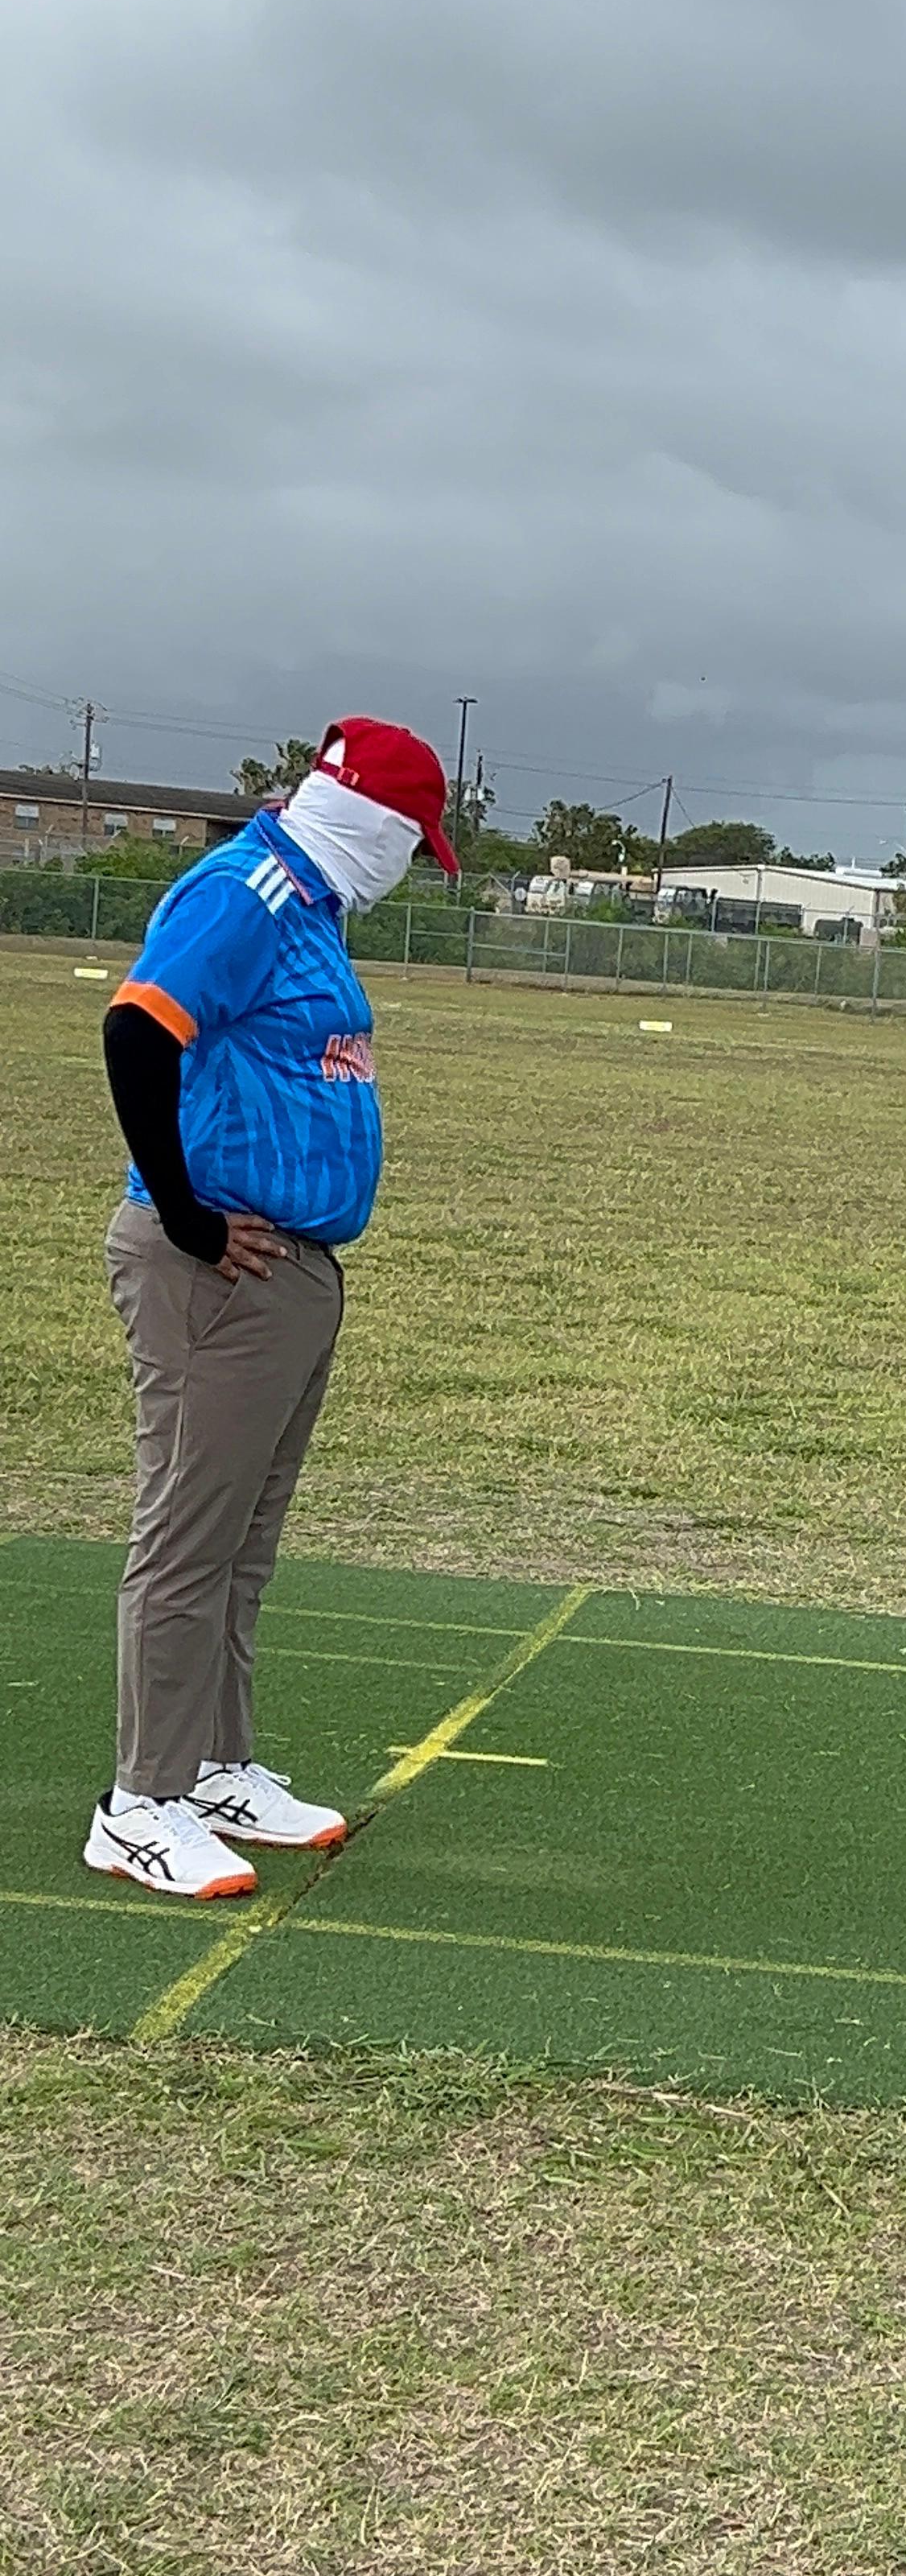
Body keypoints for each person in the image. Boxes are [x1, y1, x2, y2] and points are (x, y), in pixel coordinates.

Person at [86, 716, 458, 1898]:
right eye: (417, 841)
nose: (414, 863)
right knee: (189, 1540)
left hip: (290, 1268)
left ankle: (213, 1764)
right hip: (220, 1269)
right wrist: (191, 1216)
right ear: (382, 826)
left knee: (243, 1544)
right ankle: (140, 1802)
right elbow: (139, 1027)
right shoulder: (245, 893)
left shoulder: (310, 909)